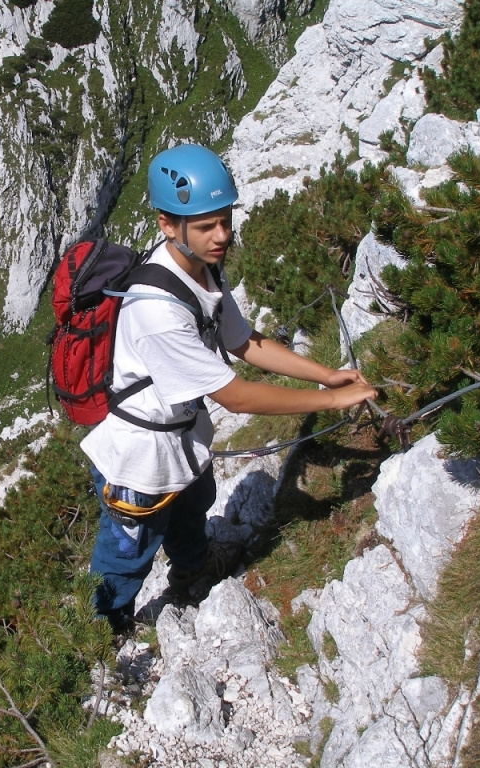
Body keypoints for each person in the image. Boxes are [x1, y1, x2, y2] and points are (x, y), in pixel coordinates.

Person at [81, 144, 377, 632]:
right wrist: (331, 401)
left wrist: (326, 374)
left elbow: (245, 341)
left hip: (180, 429)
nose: (221, 236)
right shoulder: (156, 308)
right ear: (166, 224)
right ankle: (100, 641)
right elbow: (235, 395)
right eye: (205, 226)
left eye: (225, 220)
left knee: (194, 504)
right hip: (140, 455)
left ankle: (194, 568)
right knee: (124, 559)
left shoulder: (202, 267)